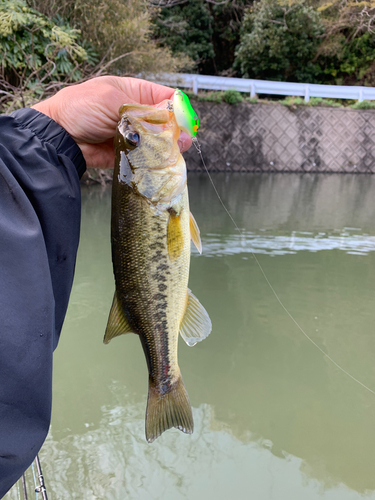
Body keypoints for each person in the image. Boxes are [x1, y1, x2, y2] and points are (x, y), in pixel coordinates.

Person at [0, 76, 192, 498]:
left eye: (134, 139)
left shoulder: (156, 191)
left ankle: (165, 379)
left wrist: (52, 125)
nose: (135, 137)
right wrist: (48, 129)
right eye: (136, 140)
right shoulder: (160, 196)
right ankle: (166, 382)